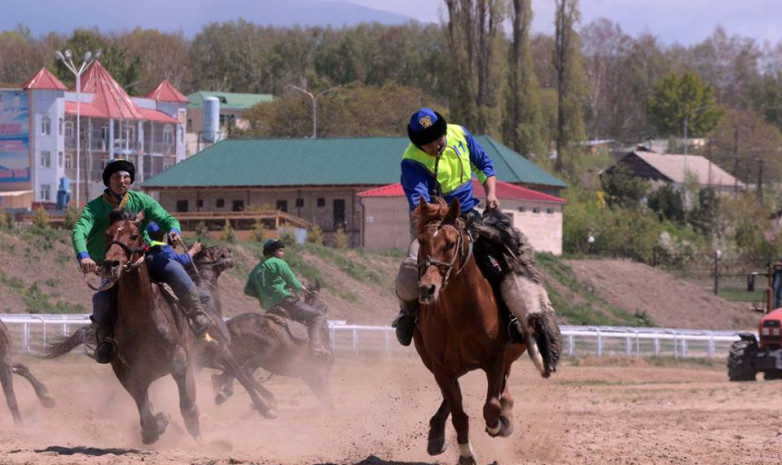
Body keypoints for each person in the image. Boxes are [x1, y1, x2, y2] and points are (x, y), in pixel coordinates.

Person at [72, 159, 212, 364]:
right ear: (107, 181)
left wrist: (174, 231)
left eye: (126, 177)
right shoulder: (93, 209)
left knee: (174, 269)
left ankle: (197, 314)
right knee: (100, 301)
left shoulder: (142, 200)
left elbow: (169, 220)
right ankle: (106, 340)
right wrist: (84, 256)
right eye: (117, 177)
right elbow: (78, 231)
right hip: (111, 264)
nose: (122, 181)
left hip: (142, 256)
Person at [392, 107, 502, 346]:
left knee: (507, 257)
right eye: (429, 144)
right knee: (411, 268)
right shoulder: (411, 162)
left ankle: (520, 317)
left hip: (471, 215)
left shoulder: (460, 134)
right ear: (419, 145)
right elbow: (421, 206)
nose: (436, 145)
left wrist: (491, 193)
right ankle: (407, 312)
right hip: (434, 224)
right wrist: (446, 216)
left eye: (438, 138)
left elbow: (484, 164)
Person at [244, 239, 331, 357]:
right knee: (318, 316)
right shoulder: (279, 263)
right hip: (285, 302)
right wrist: (303, 289)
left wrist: (263, 295)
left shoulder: (257, 269)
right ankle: (316, 347)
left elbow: (248, 290)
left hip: (270, 307)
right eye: (280, 250)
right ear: (273, 251)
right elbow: (293, 282)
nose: (282, 253)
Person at [145, 221, 215, 336]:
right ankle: (202, 330)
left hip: (152, 273)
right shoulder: (161, 246)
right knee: (205, 297)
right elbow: (180, 261)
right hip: (166, 276)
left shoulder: (145, 244)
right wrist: (193, 250)